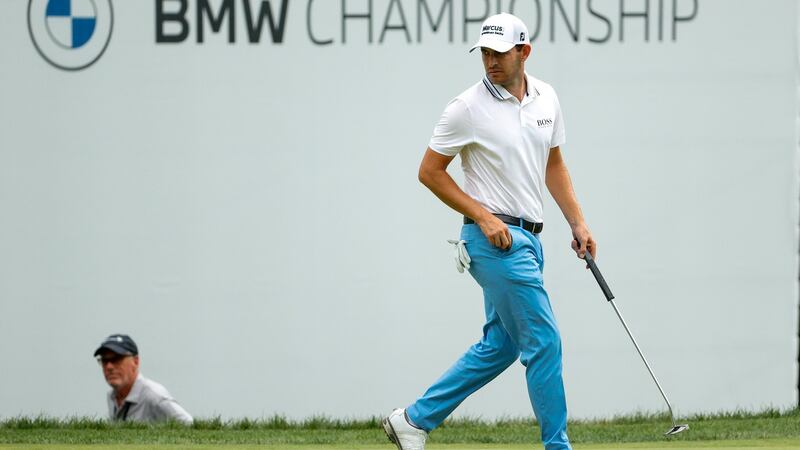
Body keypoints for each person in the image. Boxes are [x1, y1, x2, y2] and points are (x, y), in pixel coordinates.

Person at [382, 12, 595, 450]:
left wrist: (577, 221)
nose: (491, 61)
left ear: (524, 51)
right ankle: (558, 446)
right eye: (484, 53)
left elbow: (553, 165)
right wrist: (482, 215)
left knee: (502, 345)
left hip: (531, 241)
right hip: (493, 242)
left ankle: (413, 420)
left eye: (499, 52)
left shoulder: (547, 99)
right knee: (544, 341)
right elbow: (430, 172)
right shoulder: (466, 107)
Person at [94, 334, 193, 424]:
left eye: (117, 359)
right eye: (104, 360)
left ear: (135, 361)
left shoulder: (153, 396)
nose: (109, 367)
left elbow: (188, 424)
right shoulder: (112, 396)